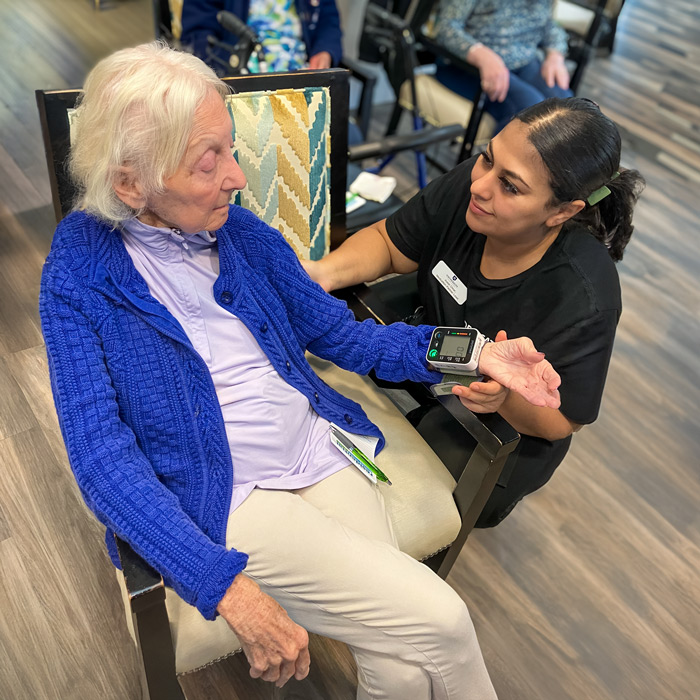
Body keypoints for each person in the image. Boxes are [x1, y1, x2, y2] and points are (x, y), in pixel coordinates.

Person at [39, 42, 562, 698]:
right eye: (212, 160)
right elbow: (102, 461)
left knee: (399, 661)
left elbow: (346, 338)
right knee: (444, 619)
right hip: (227, 495)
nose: (238, 176)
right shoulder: (77, 274)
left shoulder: (242, 235)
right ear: (130, 182)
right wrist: (220, 582)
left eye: (232, 148)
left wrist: (476, 350)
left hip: (318, 446)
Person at [304, 97, 645, 528]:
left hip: (501, 428)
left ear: (562, 211)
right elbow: (391, 242)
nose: (479, 185)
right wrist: (323, 272)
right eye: (487, 157)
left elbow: (561, 420)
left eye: (511, 186)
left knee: (393, 504)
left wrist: (505, 398)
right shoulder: (478, 186)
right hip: (434, 355)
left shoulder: (583, 294)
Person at [432, 0, 574, 134]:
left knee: (567, 110)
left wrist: (555, 56)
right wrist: (482, 56)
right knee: (530, 112)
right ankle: (496, 159)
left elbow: (546, 23)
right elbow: (446, 27)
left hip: (525, 62)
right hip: (467, 65)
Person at [181, 0, 342, 74]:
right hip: (239, 75)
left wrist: (324, 51)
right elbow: (198, 34)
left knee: (342, 133)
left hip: (302, 73)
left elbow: (328, 19)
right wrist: (225, 71)